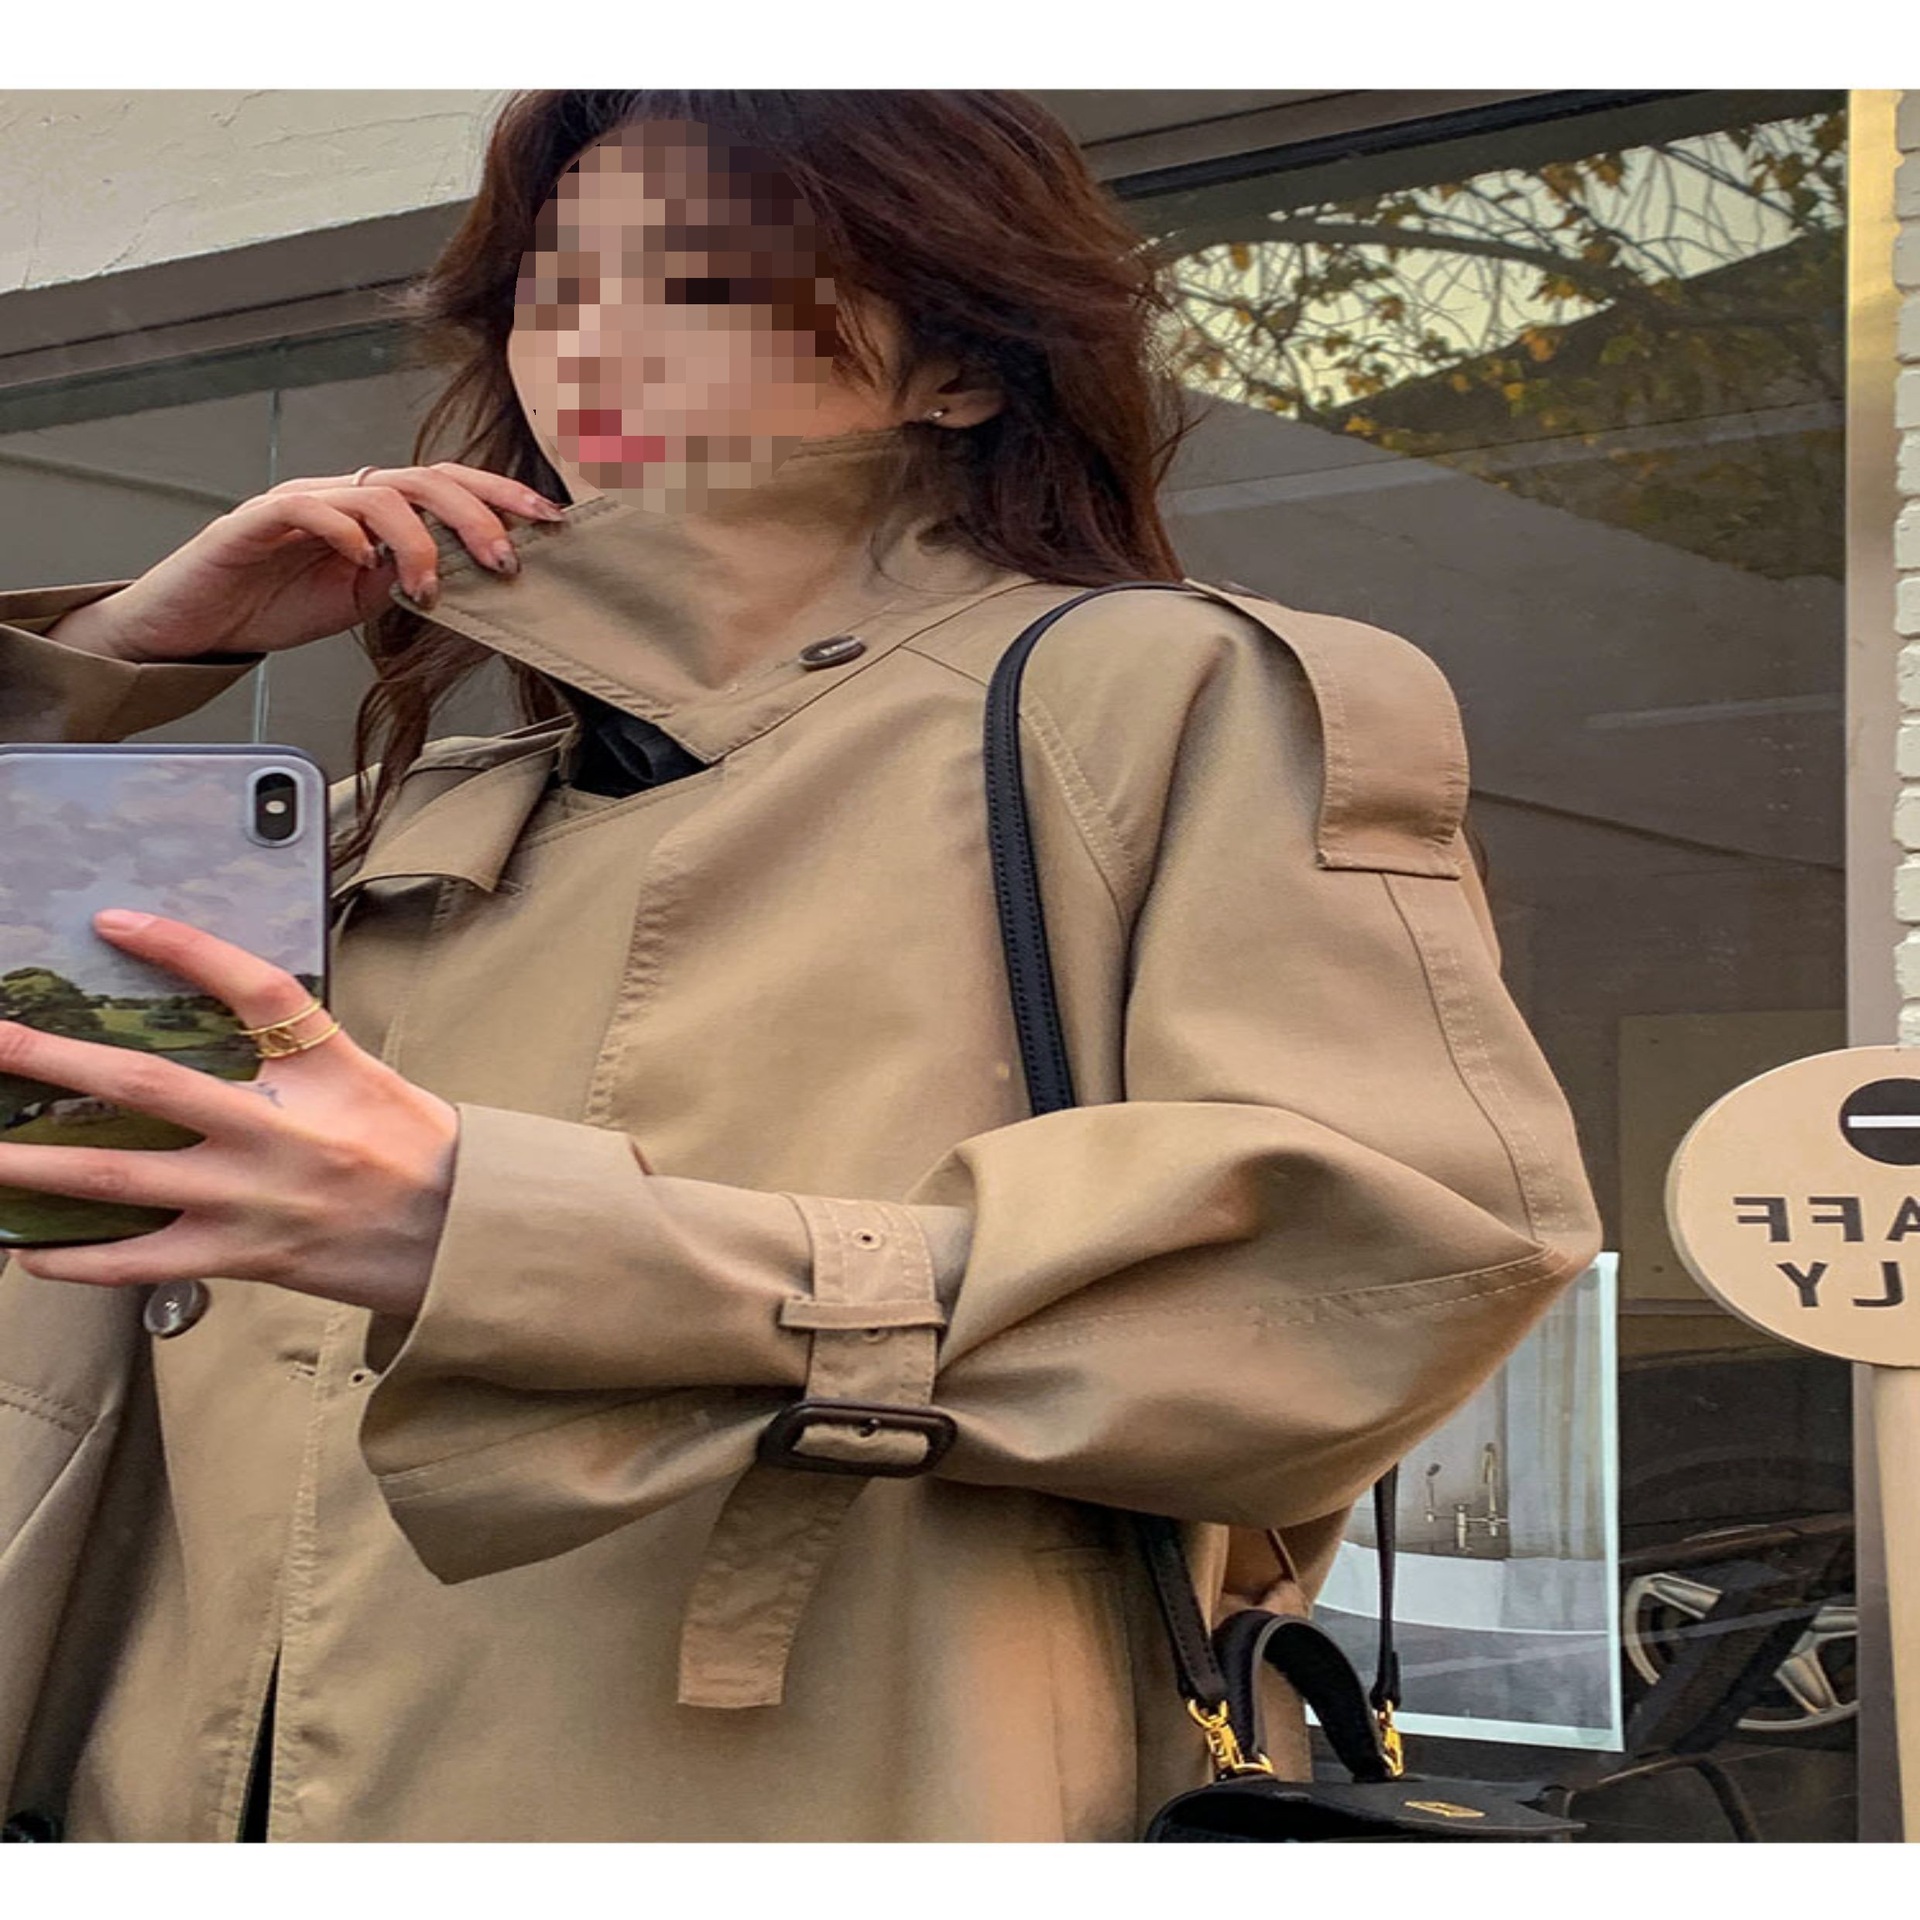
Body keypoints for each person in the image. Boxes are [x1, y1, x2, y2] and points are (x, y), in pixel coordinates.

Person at [0, 90, 1601, 1843]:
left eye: (703, 285)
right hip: (186, 1779)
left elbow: (1382, 1273)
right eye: (549, 288)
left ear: (960, 366)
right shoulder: (426, 799)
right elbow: (73, 1149)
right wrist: (113, 670)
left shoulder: (1155, 703)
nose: (591, 341)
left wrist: (514, 1240)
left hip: (815, 1782)